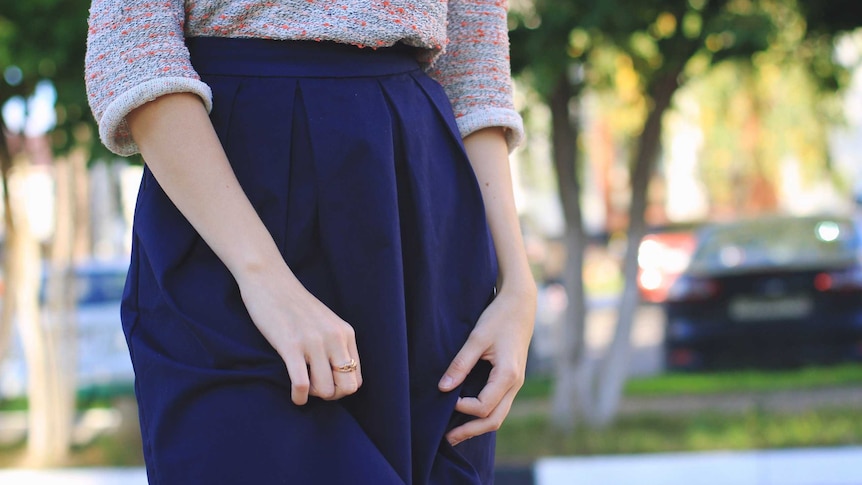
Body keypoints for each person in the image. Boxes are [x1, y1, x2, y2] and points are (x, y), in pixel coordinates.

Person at [85, 1, 535, 483]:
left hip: (418, 213)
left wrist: (517, 286)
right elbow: (133, 48)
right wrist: (264, 278)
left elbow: (473, 68)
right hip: (227, 209)